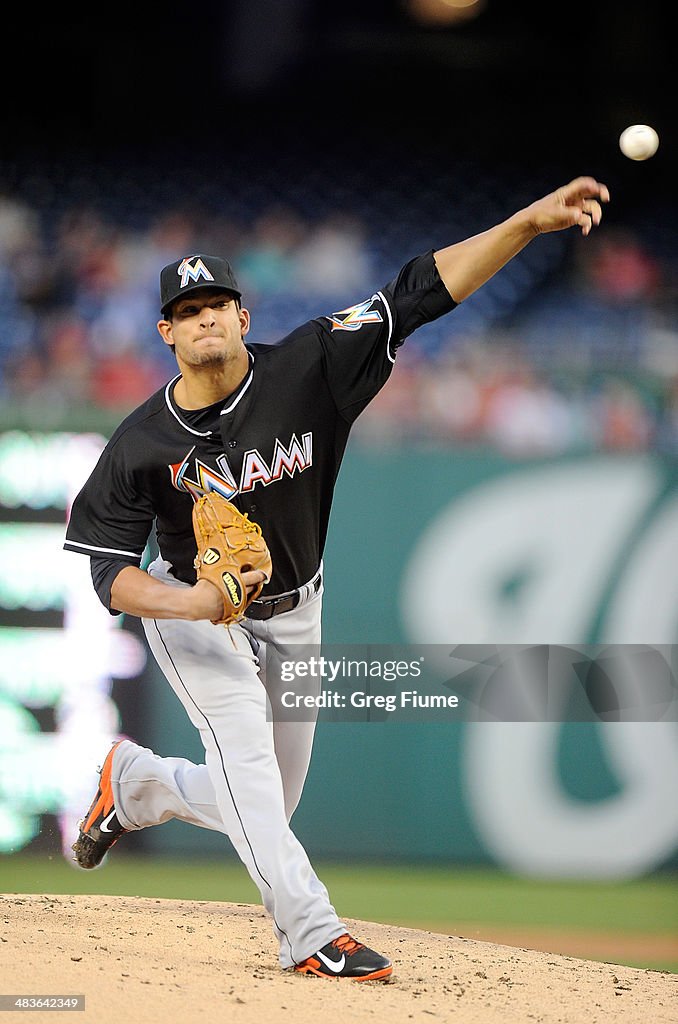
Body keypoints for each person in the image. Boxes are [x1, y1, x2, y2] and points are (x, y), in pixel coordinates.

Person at [63, 176, 609, 981]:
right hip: (194, 615)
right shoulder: (140, 443)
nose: (203, 316)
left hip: (296, 608)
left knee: (267, 806)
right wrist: (187, 600)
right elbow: (108, 573)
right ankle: (311, 933)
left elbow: (417, 292)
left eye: (216, 303)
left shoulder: (311, 366)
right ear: (165, 335)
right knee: (249, 770)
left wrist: (526, 225)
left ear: (244, 317)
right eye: (185, 312)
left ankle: (137, 783)